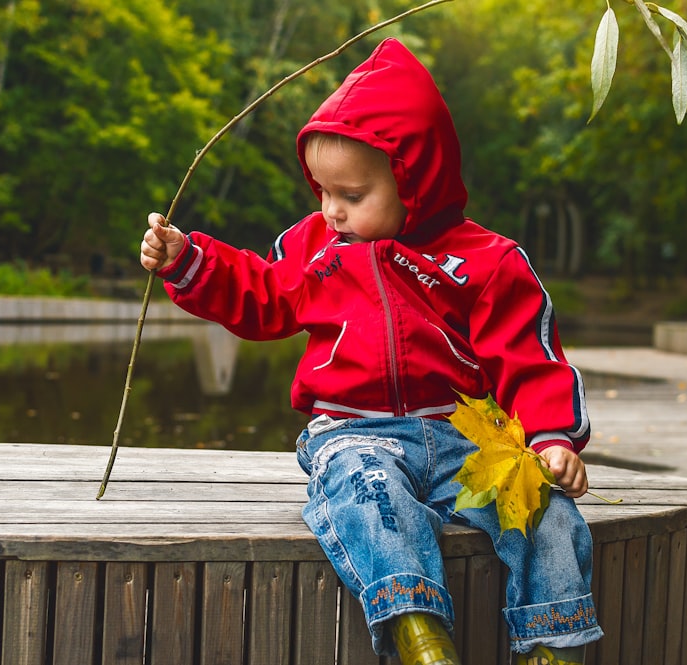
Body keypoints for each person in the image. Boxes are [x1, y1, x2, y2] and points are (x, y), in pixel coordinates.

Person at [140, 39, 601, 665]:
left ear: (415, 179)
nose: (332, 211)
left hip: (466, 438)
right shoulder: (315, 250)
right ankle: (420, 634)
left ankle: (552, 644)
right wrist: (189, 259)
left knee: (546, 516)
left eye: (353, 195)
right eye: (323, 191)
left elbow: (529, 355)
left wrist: (551, 438)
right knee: (369, 497)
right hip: (356, 432)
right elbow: (262, 294)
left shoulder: (484, 261)